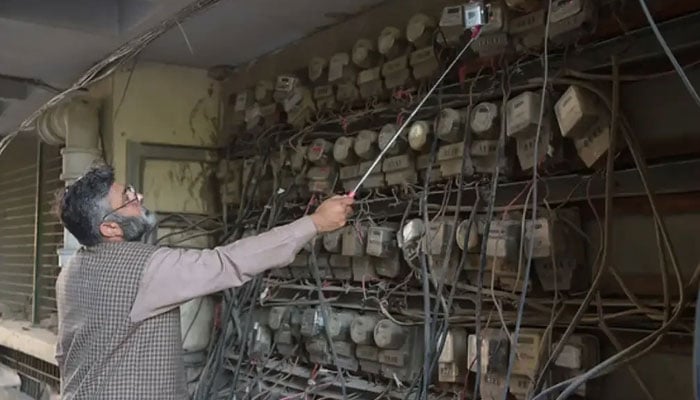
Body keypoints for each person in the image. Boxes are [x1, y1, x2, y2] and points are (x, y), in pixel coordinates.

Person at [55, 164, 353, 399]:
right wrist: (313, 223)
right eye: (127, 198)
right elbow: (228, 262)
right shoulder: (145, 268)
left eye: (132, 190)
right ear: (109, 227)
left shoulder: (69, 273)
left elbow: (64, 352)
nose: (139, 197)